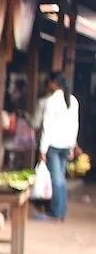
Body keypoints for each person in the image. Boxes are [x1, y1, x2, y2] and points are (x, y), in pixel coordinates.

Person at [37, 73, 80, 222]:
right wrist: (72, 145)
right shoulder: (73, 101)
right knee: (60, 178)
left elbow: (46, 127)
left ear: (55, 83)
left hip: (53, 145)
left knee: (57, 179)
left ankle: (56, 211)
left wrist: (42, 149)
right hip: (66, 145)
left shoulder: (51, 101)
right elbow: (75, 125)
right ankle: (61, 211)